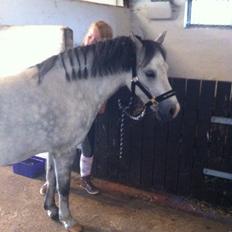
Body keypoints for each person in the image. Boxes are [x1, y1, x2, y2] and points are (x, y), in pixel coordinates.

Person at [40, 21, 113, 196]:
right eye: (89, 36)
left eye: (96, 40)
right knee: (57, 146)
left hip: (87, 113)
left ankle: (85, 179)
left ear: (104, 43)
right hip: (67, 111)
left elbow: (104, 92)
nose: (90, 41)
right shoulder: (74, 55)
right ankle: (51, 180)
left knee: (88, 148)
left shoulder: (103, 65)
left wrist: (102, 102)